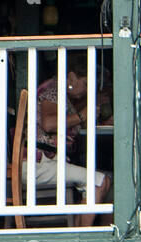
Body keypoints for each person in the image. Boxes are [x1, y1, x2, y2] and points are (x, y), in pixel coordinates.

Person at [23, 65, 112, 227]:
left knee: (107, 181)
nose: (85, 91)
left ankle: (80, 234)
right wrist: (82, 115)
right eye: (85, 84)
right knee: (100, 181)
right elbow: (49, 124)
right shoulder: (53, 89)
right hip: (38, 164)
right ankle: (83, 239)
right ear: (71, 77)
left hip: (46, 163)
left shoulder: (63, 96)